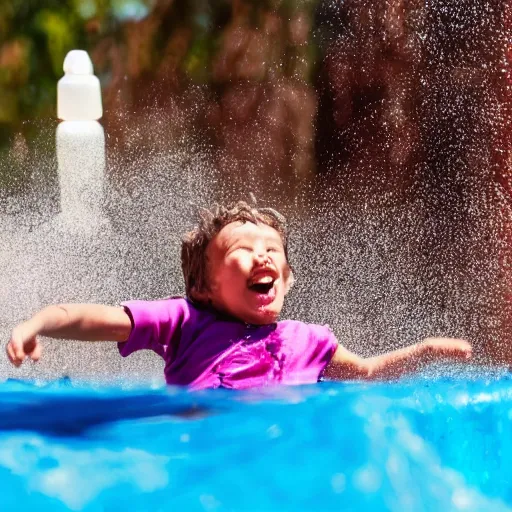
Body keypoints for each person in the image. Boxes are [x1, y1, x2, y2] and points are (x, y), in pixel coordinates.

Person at [6, 201, 472, 389]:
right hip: (204, 455)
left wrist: (426, 351)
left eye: (272, 250)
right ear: (202, 286)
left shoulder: (311, 341)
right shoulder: (184, 321)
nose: (262, 256)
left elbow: (369, 372)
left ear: (287, 279)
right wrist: (39, 322)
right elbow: (97, 318)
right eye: (242, 250)